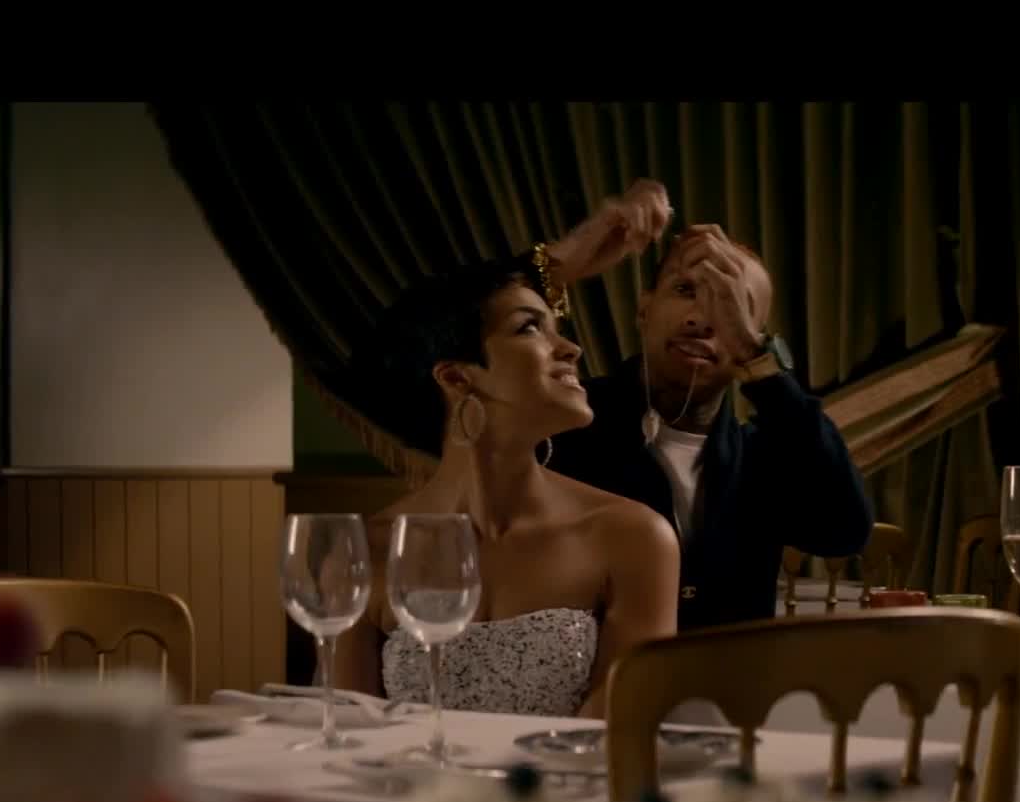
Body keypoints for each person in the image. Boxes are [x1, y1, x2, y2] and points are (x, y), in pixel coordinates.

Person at [333, 182, 682, 719]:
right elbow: (352, 731)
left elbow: (619, 729)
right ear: (456, 377)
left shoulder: (634, 537)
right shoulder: (364, 551)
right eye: (530, 329)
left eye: (557, 328)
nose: (571, 348)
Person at [549, 223, 875, 630]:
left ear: (753, 337)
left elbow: (844, 530)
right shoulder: (562, 423)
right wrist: (555, 262)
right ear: (644, 309)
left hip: (727, 672)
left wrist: (758, 362)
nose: (702, 319)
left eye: (731, 303)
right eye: (685, 290)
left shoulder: (762, 457)